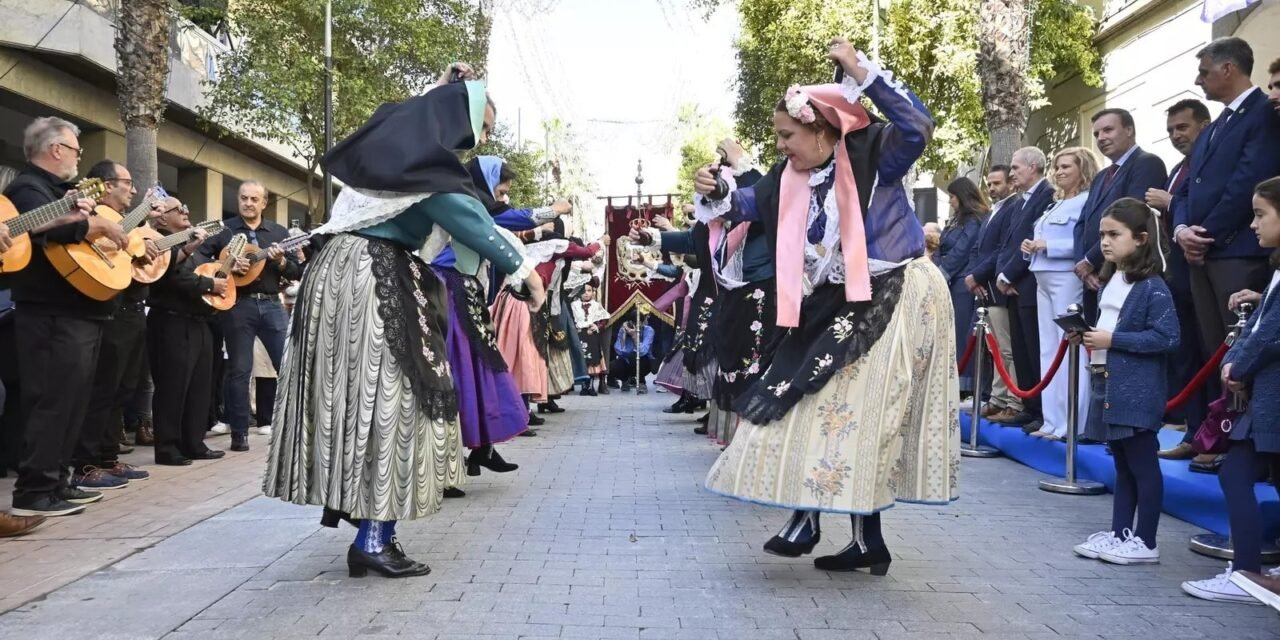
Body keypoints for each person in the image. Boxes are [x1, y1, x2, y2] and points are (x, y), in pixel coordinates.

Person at [263, 64, 546, 579]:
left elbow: (410, 116)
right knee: (398, 401)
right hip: (374, 276)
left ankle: (365, 521)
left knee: (354, 402)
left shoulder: (396, 150)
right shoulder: (429, 167)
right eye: (480, 128)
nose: (479, 141)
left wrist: (442, 86)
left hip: (337, 275)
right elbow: (468, 220)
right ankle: (374, 537)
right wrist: (524, 271)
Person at [696, 39, 957, 574]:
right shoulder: (788, 177)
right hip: (834, 301)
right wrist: (716, 186)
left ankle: (825, 525)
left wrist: (863, 73)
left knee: (853, 413)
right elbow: (743, 202)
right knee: (814, 402)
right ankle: (846, 533)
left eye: (786, 135)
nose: (780, 145)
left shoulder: (875, 152)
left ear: (820, 130)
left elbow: (918, 127)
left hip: (891, 293)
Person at [7, 117, 129, 517]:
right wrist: (90, 222)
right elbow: (42, 228)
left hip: (77, 311)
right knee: (52, 402)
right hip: (50, 313)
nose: (80, 158)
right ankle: (35, 490)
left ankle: (58, 481)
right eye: (77, 150)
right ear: (56, 149)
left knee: (73, 402)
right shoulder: (28, 187)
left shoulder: (58, 191)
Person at [1184, 177, 1280, 604]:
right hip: (1267, 396)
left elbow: (1270, 334)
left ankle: (1245, 573)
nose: (1253, 224)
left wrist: (1238, 365)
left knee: (1234, 473)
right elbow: (1262, 323)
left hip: (1271, 399)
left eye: (1261, 215)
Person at [1070, 198, 1179, 565]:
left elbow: (1168, 337)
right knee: (1122, 463)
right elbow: (1109, 327)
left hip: (1137, 388)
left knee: (1142, 464)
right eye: (1102, 234)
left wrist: (1113, 340)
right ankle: (1120, 534)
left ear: (1141, 238)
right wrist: (1087, 335)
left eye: (1114, 234)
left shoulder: (1153, 287)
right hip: (1108, 381)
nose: (1105, 241)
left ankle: (1145, 540)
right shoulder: (1111, 281)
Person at [1173, 39, 1280, 393]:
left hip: (1237, 252)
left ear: (1228, 69)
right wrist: (1182, 230)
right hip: (1201, 255)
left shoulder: (1263, 113)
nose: (1198, 80)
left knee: (1242, 352)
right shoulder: (1213, 127)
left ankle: (1245, 425)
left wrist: (1204, 236)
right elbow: (1186, 189)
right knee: (1214, 352)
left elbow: (1248, 183)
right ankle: (1219, 423)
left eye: (1204, 72)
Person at [69, 161, 155, 487]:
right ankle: (87, 464)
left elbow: (134, 252)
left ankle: (109, 457)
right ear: (106, 185)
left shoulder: (123, 221)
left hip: (132, 310)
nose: (132, 190)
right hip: (111, 311)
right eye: (127, 183)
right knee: (103, 389)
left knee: (124, 389)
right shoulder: (91, 215)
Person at [199, 180, 302, 452]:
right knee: (239, 370)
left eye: (254, 199)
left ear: (264, 203)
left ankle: (294, 427)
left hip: (272, 304)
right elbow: (201, 261)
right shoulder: (225, 230)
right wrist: (227, 265)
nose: (248, 203)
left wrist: (281, 261)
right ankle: (239, 434)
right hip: (238, 306)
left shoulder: (278, 233)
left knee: (288, 365)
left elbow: (296, 271)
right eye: (244, 198)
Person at [1147, 99, 1213, 460]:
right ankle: (1194, 432)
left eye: (1182, 127)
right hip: (1176, 275)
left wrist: (1171, 202)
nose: (1175, 135)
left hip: (1203, 269)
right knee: (1186, 356)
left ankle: (1215, 439)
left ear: (1204, 125)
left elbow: (1197, 206)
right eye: (1171, 130)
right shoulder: (1176, 168)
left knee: (1209, 355)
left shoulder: (1207, 163)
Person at [1020, 147, 1097, 439]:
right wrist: (1030, 248)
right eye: (1058, 166)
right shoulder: (1055, 203)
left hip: (1066, 276)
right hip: (1041, 276)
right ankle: (1051, 421)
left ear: (1083, 169)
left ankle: (1072, 422)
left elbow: (1084, 242)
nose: (1060, 171)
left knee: (1069, 349)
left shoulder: (1086, 200)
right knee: (1048, 349)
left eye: (1067, 166)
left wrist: (1049, 246)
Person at [148, 198, 229, 466]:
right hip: (171, 320)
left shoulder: (195, 242)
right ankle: (168, 447)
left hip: (200, 320)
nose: (186, 211)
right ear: (162, 217)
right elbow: (173, 276)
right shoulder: (157, 242)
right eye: (178, 209)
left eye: (185, 207)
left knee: (199, 386)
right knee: (173, 386)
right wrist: (209, 284)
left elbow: (209, 270)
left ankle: (194, 442)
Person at [1073, 109, 1168, 320]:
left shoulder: (1147, 163)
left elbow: (1131, 218)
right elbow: (1082, 224)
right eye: (1096, 133)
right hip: (1093, 276)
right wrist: (1083, 264)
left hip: (1127, 272)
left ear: (1129, 130)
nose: (1101, 138)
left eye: (1108, 130)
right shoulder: (1100, 177)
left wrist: (1090, 260)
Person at [995, 147, 1055, 429]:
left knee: (1034, 349)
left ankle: (1042, 410)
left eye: (1016, 167)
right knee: (1020, 350)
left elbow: (1032, 239)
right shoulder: (1020, 201)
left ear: (1033, 167)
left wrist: (1010, 275)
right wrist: (1003, 275)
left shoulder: (1047, 195)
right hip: (1014, 286)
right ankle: (1029, 407)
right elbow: (1009, 243)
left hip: (1030, 283)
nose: (1012, 173)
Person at [964, 166, 1022, 422]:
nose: (991, 188)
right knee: (993, 347)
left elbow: (1002, 249)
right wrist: (973, 276)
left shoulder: (1014, 207)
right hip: (984, 288)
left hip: (998, 288)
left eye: (997, 183)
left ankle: (1014, 400)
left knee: (1006, 349)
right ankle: (998, 399)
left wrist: (978, 275)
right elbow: (977, 248)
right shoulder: (992, 212)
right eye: (989, 184)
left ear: (1010, 183)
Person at [937, 178, 986, 395]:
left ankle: (965, 384)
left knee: (962, 331)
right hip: (948, 280)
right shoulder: (955, 220)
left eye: (952, 196)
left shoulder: (974, 221)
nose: (950, 201)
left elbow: (962, 251)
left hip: (962, 281)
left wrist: (942, 272)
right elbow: (941, 247)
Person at [572, 285, 610, 395]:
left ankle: (591, 386)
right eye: (583, 291)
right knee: (582, 359)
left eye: (589, 290)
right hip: (579, 335)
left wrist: (597, 326)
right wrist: (574, 328)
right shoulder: (574, 305)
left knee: (592, 360)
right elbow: (571, 318)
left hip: (592, 336)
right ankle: (584, 386)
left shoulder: (596, 305)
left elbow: (605, 318)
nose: (586, 293)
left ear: (593, 292)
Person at [611, 317, 654, 392]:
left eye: (638, 323)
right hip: (627, 360)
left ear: (642, 323)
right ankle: (625, 379)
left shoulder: (648, 330)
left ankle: (641, 381)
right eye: (633, 323)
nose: (635, 326)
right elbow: (618, 350)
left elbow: (643, 351)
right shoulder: (623, 330)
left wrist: (634, 337)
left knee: (636, 357)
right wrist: (624, 334)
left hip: (644, 361)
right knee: (613, 365)